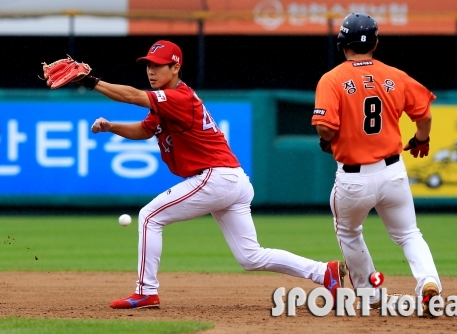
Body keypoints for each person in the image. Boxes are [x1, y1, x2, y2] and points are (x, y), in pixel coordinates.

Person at [43, 40, 346, 309]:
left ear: (175, 67)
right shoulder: (166, 101)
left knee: (150, 216)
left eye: (158, 65)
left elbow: (134, 96)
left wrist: (92, 80)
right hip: (232, 180)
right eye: (148, 65)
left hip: (216, 177)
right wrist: (112, 128)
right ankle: (324, 272)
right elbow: (145, 129)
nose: (151, 70)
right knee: (250, 257)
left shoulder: (178, 98)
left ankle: (146, 292)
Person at [311, 13, 441, 312]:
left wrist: (330, 139)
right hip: (393, 171)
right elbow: (425, 116)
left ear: (342, 42)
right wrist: (421, 139)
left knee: (348, 232)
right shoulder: (395, 75)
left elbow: (325, 128)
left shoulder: (331, 79)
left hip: (353, 178)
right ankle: (429, 282)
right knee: (409, 234)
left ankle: (370, 293)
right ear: (376, 42)